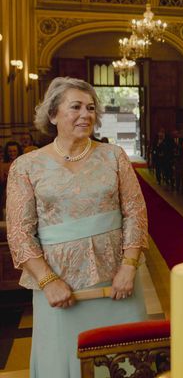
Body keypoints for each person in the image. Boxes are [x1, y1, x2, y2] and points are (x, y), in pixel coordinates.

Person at [6, 77, 148, 378]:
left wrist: (128, 267)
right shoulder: (26, 166)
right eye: (76, 107)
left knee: (124, 359)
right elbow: (20, 233)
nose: (86, 114)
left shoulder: (114, 156)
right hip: (59, 285)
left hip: (117, 281)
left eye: (91, 108)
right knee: (64, 359)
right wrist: (48, 282)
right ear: (53, 115)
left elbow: (135, 212)